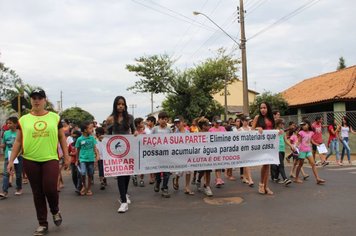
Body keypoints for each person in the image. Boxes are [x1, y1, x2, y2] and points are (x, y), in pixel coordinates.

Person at [7, 89, 70, 236]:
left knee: (50, 188)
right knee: (37, 193)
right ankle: (42, 224)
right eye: (34, 98)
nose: (37, 100)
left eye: (39, 98)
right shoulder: (23, 120)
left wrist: (66, 156)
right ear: (31, 100)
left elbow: (62, 137)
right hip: (30, 159)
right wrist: (11, 161)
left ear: (45, 100)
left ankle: (55, 210)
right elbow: (18, 141)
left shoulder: (54, 117)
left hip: (50, 158)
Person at [106, 96, 138, 213]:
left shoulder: (129, 118)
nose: (121, 106)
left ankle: (124, 193)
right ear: (115, 105)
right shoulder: (110, 119)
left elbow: (134, 130)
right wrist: (101, 138)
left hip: (128, 149)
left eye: (123, 104)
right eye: (119, 104)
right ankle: (123, 201)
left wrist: (135, 133)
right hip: (116, 152)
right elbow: (107, 135)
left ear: (125, 106)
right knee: (120, 173)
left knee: (127, 173)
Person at [252, 102, 275, 195]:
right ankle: (261, 185)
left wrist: (279, 131)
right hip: (262, 144)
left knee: (268, 165)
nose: (263, 110)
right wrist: (258, 128)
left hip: (270, 144)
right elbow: (252, 130)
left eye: (264, 108)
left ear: (268, 108)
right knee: (265, 164)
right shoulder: (257, 117)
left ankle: (266, 186)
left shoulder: (271, 118)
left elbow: (273, 129)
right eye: (261, 108)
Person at [294, 120, 325, 185]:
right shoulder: (301, 132)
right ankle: (296, 178)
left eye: (304, 125)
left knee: (313, 164)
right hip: (302, 151)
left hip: (308, 151)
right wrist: (295, 146)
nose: (303, 126)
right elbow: (299, 141)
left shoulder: (311, 132)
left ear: (308, 125)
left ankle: (317, 179)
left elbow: (311, 141)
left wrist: (317, 144)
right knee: (300, 165)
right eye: (302, 125)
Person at [0, 116, 23, 199]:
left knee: (18, 174)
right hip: (8, 156)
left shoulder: (20, 132)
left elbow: (22, 146)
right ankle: (4, 191)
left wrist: (18, 154)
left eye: (10, 123)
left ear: (16, 124)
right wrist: (1, 146)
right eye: (7, 123)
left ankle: (19, 188)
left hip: (18, 156)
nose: (8, 125)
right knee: (6, 173)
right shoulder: (6, 133)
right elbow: (4, 145)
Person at [151, 111, 172, 198]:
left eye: (165, 119)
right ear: (158, 120)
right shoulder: (155, 129)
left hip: (166, 155)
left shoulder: (169, 130)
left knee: (167, 173)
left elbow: (172, 141)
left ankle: (165, 188)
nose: (164, 120)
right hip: (157, 155)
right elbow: (149, 140)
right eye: (162, 119)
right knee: (158, 173)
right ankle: (158, 183)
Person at [172, 116, 194, 195]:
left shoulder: (188, 132)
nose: (177, 124)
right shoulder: (175, 133)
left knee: (188, 171)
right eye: (176, 123)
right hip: (178, 155)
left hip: (187, 154)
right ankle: (176, 180)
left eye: (179, 122)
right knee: (179, 171)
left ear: (183, 122)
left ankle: (187, 187)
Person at [75, 121, 99, 196]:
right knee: (83, 173)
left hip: (91, 159)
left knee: (90, 174)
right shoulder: (79, 139)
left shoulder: (92, 138)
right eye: (90, 128)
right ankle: (84, 187)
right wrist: (76, 160)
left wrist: (97, 155)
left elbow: (95, 148)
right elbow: (77, 150)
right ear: (85, 130)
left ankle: (88, 188)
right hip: (82, 159)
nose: (92, 130)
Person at [270, 119, 293, 186]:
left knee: (278, 164)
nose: (283, 125)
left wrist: (291, 146)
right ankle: (285, 179)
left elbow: (285, 140)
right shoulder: (273, 131)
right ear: (278, 124)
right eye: (282, 123)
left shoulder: (282, 131)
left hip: (282, 149)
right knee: (281, 164)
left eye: (283, 124)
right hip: (277, 150)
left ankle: (276, 178)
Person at [195, 117, 213, 197]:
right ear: (203, 126)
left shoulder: (211, 134)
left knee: (208, 171)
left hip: (208, 155)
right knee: (202, 171)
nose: (209, 126)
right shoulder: (197, 135)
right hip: (201, 155)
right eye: (207, 125)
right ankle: (198, 180)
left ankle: (207, 186)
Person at [209, 117, 226, 188]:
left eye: (219, 122)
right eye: (216, 122)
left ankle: (219, 178)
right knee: (217, 164)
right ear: (213, 122)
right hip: (214, 149)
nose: (218, 124)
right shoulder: (211, 130)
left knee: (220, 164)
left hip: (222, 149)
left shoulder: (223, 128)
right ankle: (218, 179)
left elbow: (227, 137)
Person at [237, 115, 254, 187]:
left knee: (245, 163)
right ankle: (250, 179)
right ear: (242, 121)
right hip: (243, 148)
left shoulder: (251, 128)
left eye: (248, 121)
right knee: (247, 163)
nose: (247, 122)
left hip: (250, 148)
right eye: (245, 121)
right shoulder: (239, 130)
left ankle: (244, 177)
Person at [132, 117, 146, 187]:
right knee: (135, 165)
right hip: (135, 152)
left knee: (142, 166)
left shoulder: (144, 133)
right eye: (142, 123)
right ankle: (134, 176)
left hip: (142, 152)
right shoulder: (132, 133)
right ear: (137, 124)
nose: (143, 124)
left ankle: (141, 180)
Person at [144, 116, 157, 184]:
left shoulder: (156, 129)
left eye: (148, 121)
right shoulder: (145, 130)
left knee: (155, 163)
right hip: (148, 149)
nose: (147, 122)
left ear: (152, 122)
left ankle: (154, 176)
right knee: (149, 163)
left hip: (155, 149)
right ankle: (151, 177)